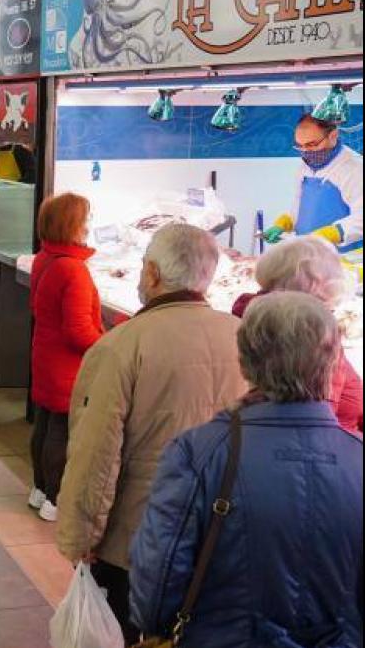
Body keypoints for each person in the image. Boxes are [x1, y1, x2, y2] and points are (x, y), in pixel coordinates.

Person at [130, 292, 363, 648]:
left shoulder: (199, 452)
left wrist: (156, 624)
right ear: (333, 362)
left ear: (245, 361)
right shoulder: (357, 457)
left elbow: (159, 579)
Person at [57, 223, 248, 644]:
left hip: (136, 538)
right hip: (218, 533)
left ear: (153, 274)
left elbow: (96, 453)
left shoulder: (121, 345)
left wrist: (81, 535)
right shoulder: (242, 337)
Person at [232, 235, 362, 432]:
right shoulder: (310, 333)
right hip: (326, 451)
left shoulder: (253, 316)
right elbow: (317, 419)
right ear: (315, 285)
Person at [27, 192, 104, 523]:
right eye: (84, 219)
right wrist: (108, 344)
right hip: (67, 365)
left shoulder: (45, 258)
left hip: (45, 355)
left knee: (44, 424)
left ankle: (39, 489)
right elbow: (78, 331)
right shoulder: (74, 270)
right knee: (61, 430)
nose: (87, 225)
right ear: (71, 225)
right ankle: (54, 499)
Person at [263, 114, 362, 252]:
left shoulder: (354, 168)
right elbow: (301, 208)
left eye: (312, 144)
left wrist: (333, 233)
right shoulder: (306, 166)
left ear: (333, 135)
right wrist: (284, 224)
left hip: (343, 257)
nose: (306, 152)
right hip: (309, 253)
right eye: (300, 146)